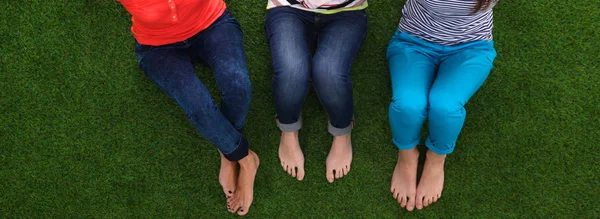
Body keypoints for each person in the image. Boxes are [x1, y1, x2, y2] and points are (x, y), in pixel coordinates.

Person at [117, 0, 259, 215]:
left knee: (237, 86)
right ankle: (246, 160)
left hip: (213, 24)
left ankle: (228, 153)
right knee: (198, 107)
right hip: (157, 46)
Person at [387, 0, 499, 211]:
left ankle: (436, 160)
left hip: (472, 48)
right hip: (413, 42)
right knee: (408, 105)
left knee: (445, 107)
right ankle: (407, 156)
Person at [265, 0, 368, 182]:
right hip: (288, 8)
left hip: (346, 11)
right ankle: (288, 131)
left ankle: (342, 133)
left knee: (329, 74)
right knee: (292, 72)